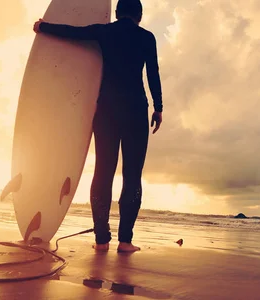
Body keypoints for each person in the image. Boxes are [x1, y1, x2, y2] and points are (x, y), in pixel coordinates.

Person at [33, 0, 163, 253]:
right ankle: (125, 241)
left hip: (106, 111)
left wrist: (44, 26)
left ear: (116, 13)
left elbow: (74, 33)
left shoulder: (105, 31)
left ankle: (101, 239)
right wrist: (159, 107)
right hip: (136, 110)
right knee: (132, 175)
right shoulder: (147, 38)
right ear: (140, 15)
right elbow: (153, 74)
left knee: (103, 173)